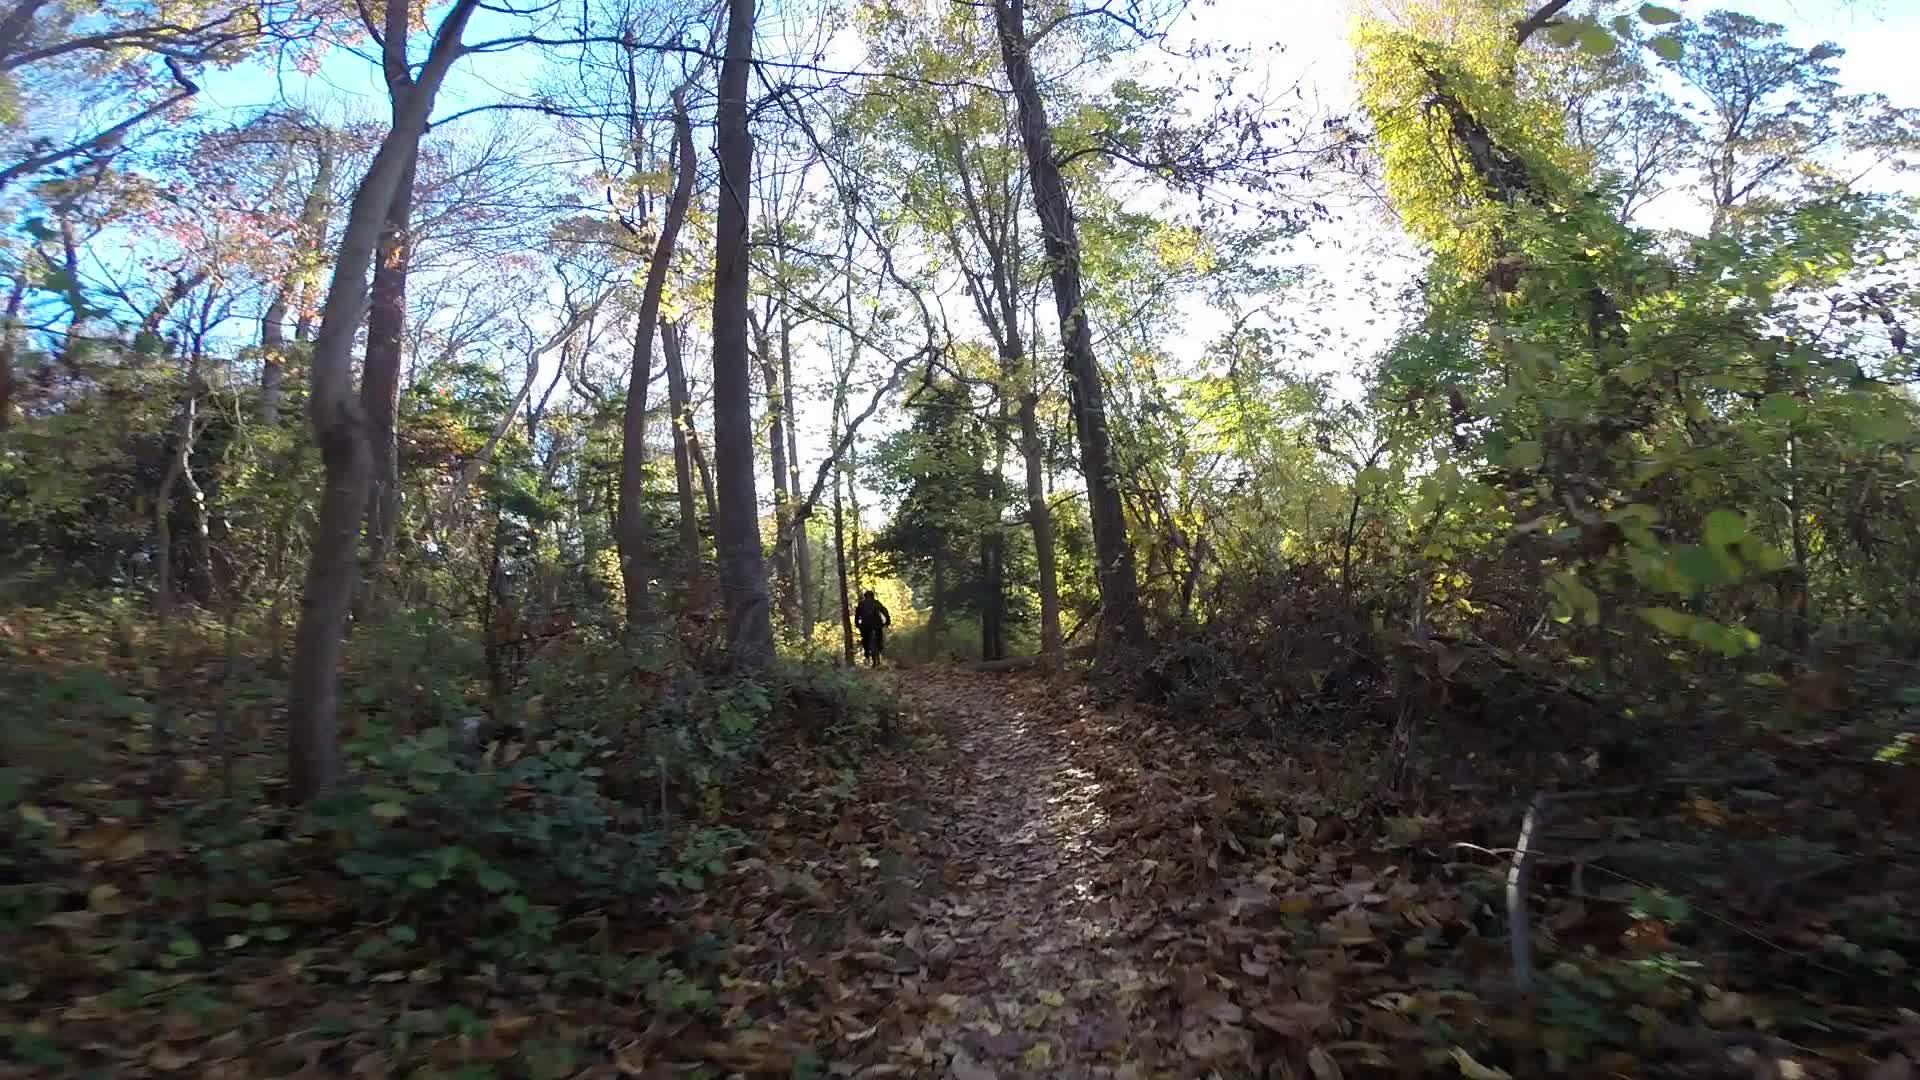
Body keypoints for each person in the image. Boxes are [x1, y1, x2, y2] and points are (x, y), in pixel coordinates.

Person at [853, 590, 891, 667]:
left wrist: (857, 624)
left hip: (865, 626)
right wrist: (887, 621)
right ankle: (880, 650)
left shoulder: (861, 604)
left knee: (865, 640)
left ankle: (867, 654)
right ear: (872, 596)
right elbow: (884, 611)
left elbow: (857, 615)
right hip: (877, 624)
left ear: (865, 596)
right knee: (879, 639)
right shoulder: (876, 603)